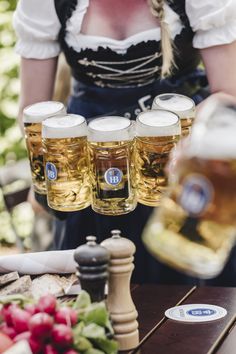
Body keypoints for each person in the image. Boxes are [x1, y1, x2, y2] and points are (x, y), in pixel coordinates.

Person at [13, 0, 236, 285]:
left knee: (188, 301)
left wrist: (191, 148)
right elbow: (33, 111)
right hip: (94, 172)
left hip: (174, 166)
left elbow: (228, 95)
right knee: (97, 301)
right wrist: (49, 174)